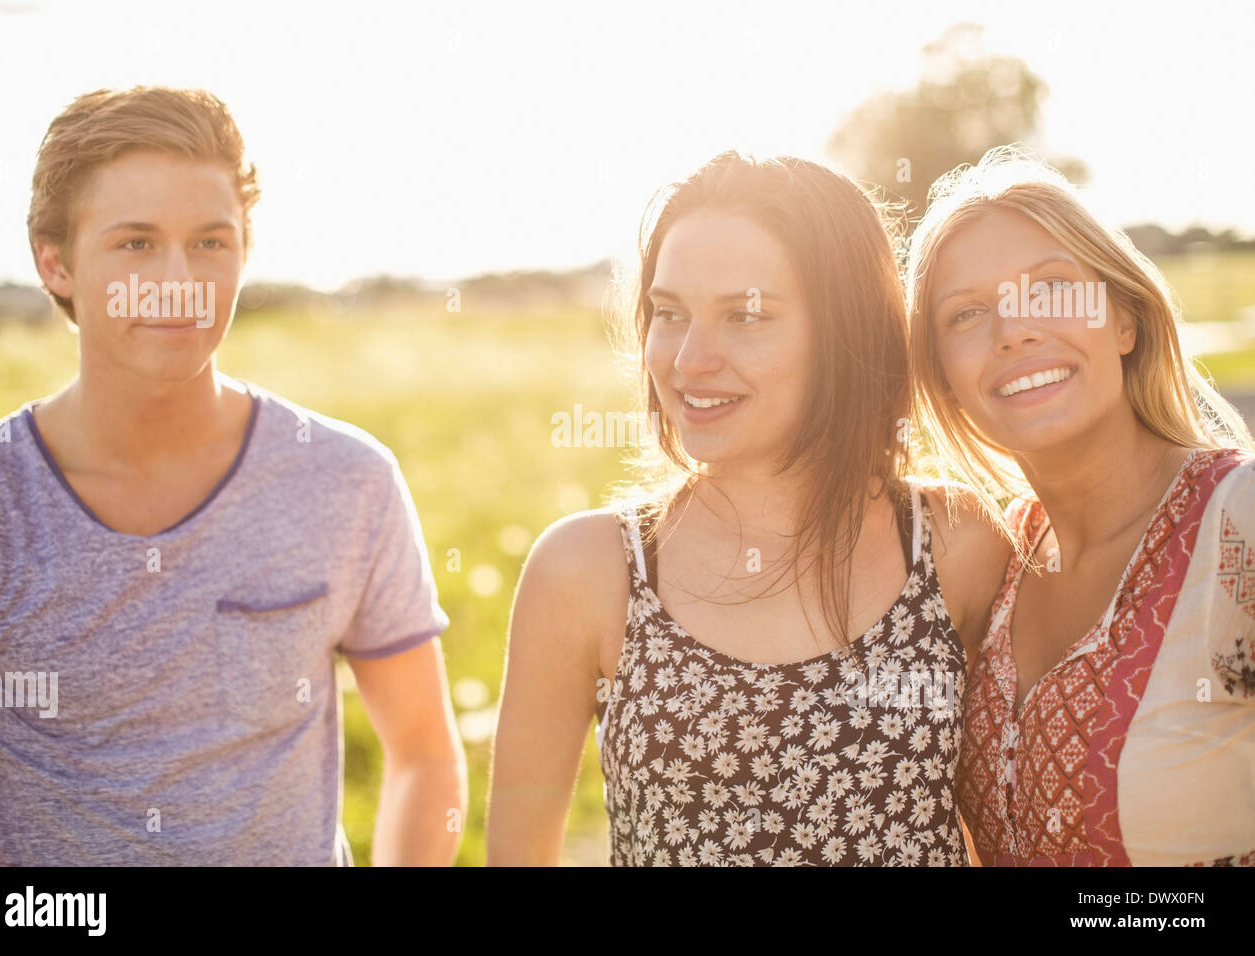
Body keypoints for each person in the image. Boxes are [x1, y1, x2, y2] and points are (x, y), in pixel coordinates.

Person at [0, 87, 464, 866]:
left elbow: (425, 754)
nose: (178, 280)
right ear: (54, 262)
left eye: (210, 242)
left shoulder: (346, 480)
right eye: (135, 243)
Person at [487, 151, 1011, 866]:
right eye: (669, 314)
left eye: (745, 316)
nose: (689, 359)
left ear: (845, 331)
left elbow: (1006, 837)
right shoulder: (588, 571)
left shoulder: (957, 545)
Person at [905, 146, 1255, 866]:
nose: (1015, 330)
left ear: (1124, 321)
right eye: (968, 313)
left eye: (1053, 288)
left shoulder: (1238, 522)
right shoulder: (992, 562)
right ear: (942, 378)